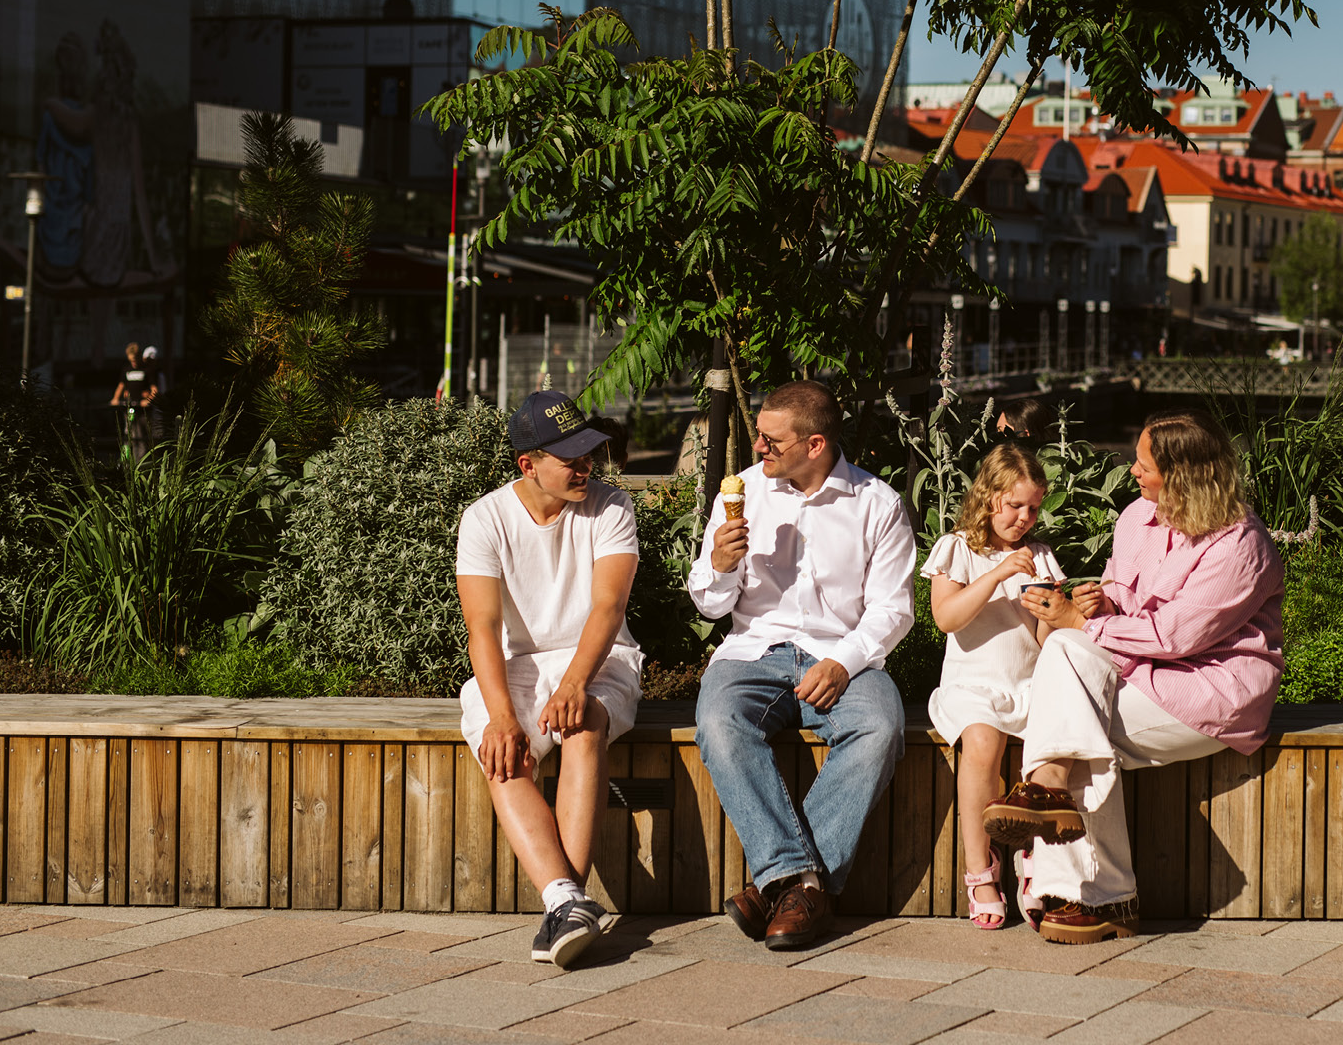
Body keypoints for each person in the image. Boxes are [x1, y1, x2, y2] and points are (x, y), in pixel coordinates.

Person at [983, 408, 1285, 944]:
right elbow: (1120, 599)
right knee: (1073, 698)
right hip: (1136, 673)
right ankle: (1067, 829)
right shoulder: (1136, 517)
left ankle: (1086, 881)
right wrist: (1096, 605)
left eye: (1144, 464)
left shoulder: (1241, 544)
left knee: (1072, 707)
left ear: (1183, 474)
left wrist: (1082, 625)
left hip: (1209, 694)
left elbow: (1177, 636)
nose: (1133, 471)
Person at [689, 380, 914, 950]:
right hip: (753, 650)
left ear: (815, 444)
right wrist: (720, 566)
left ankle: (777, 885)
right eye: (759, 436)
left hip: (841, 652)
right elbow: (709, 605)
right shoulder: (745, 493)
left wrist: (843, 662)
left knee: (880, 726)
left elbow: (893, 610)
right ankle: (802, 883)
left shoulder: (877, 503)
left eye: (772, 440)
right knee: (718, 722)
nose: (758, 447)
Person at [455, 391, 644, 970]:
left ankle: (564, 905)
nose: (586, 467)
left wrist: (575, 683)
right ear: (528, 464)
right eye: (571, 459)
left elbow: (609, 607)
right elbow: (483, 627)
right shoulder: (485, 518)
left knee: (582, 724)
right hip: (517, 666)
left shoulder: (612, 508)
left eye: (589, 454)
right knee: (502, 751)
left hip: (601, 656)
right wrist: (501, 717)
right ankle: (568, 902)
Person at [924, 441, 1064, 929]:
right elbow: (947, 618)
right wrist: (999, 572)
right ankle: (980, 870)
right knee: (983, 743)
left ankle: (1038, 862)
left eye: (1033, 509)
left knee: (1053, 749)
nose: (1024, 518)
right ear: (988, 497)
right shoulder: (958, 548)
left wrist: (1056, 611)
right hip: (973, 686)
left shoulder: (1040, 556)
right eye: (1015, 505)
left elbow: (1044, 640)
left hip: (1027, 685)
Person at [109, 342, 158, 455]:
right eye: (131, 360)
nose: (133, 362)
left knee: (142, 437)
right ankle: (128, 459)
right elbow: (121, 385)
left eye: (135, 360)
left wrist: (148, 401)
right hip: (130, 407)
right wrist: (115, 399)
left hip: (143, 410)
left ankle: (142, 459)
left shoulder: (147, 370)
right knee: (130, 435)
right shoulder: (126, 369)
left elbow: (154, 389)